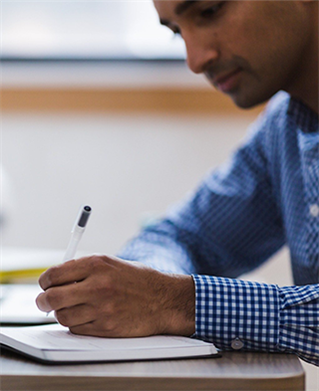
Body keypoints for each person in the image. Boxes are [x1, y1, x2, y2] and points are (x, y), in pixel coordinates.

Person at [36, 0, 319, 366]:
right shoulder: (285, 127)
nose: (195, 60)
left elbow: (171, 295)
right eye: (175, 32)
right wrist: (141, 287)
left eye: (209, 11)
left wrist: (175, 301)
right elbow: (180, 236)